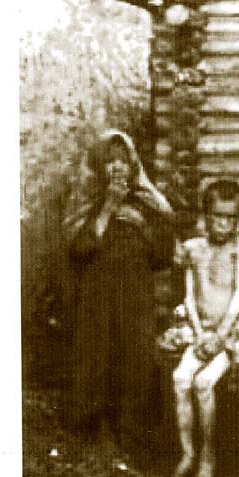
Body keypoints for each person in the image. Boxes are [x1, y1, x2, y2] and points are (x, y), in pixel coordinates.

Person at [63, 129, 174, 453]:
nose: (116, 168)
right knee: (97, 358)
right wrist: (108, 208)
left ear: (132, 164)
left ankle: (132, 435)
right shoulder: (89, 200)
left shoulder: (146, 201)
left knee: (136, 359)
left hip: (136, 296)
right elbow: (79, 249)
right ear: (99, 167)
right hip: (97, 297)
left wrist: (141, 225)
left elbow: (163, 255)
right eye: (109, 161)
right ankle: (98, 431)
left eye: (122, 161)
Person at [161, 180, 239, 477]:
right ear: (205, 217)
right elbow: (190, 294)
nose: (224, 224)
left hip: (230, 334)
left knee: (204, 384)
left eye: (231, 218)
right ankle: (186, 455)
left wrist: (219, 336)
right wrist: (200, 331)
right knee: (181, 379)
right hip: (201, 331)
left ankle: (208, 458)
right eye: (217, 217)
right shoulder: (195, 248)